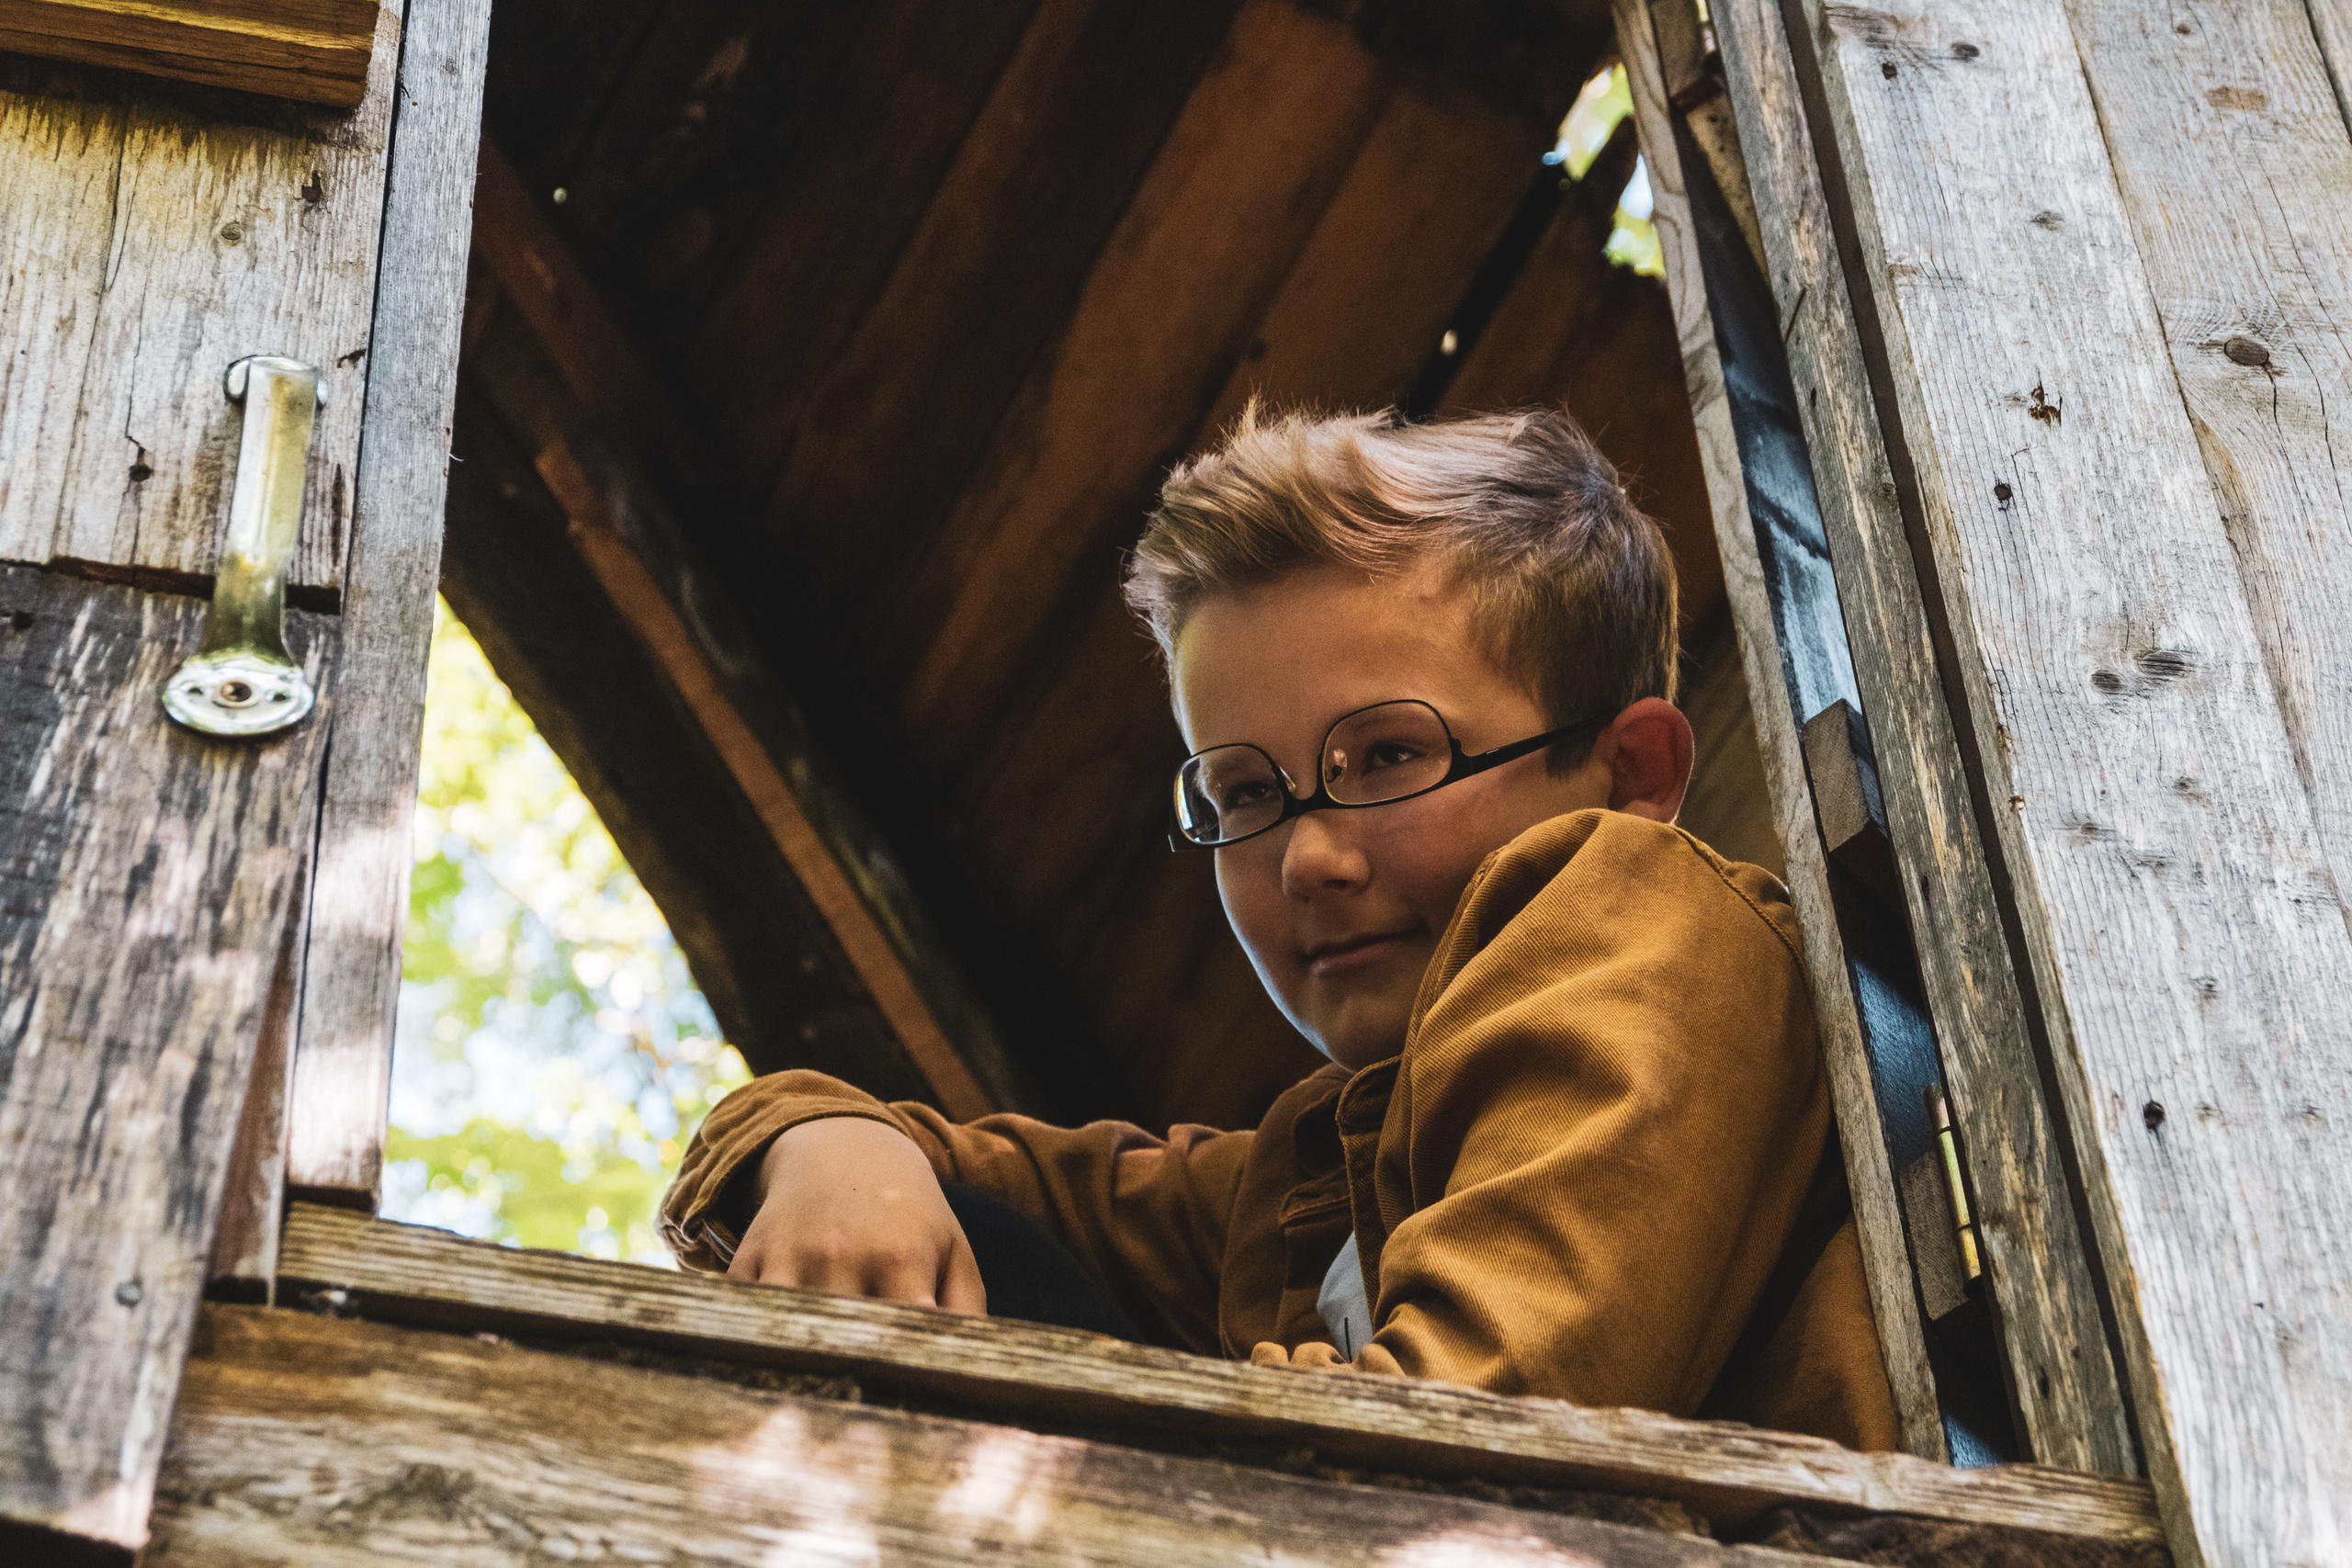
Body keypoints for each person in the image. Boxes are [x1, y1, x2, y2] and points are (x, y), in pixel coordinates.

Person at [661, 404, 1899, 1450]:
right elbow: (954, 1174)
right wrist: (825, 1146)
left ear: (1627, 774)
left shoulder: (1648, 924)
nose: (1306, 854)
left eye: (1391, 754)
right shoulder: (1309, 1174)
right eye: (1247, 792)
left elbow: (1467, 1453)